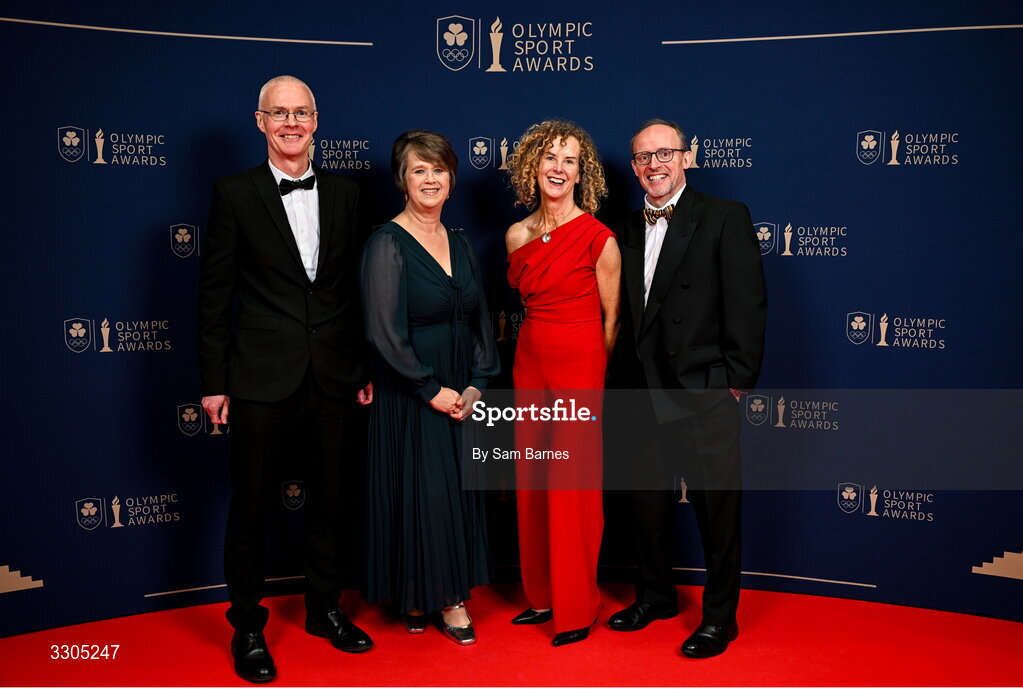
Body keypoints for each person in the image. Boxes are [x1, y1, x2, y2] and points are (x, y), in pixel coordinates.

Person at [198, 75, 374, 683]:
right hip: (256, 378)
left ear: (317, 119)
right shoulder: (234, 193)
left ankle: (325, 609)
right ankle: (247, 624)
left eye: (301, 112)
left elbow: (353, 293)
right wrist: (213, 382)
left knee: (330, 500)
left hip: (332, 376)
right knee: (249, 508)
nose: (291, 123)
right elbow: (214, 294)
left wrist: (357, 370)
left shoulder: (348, 194)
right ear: (260, 122)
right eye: (280, 113)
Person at [606, 118, 766, 657]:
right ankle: (655, 597)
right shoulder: (622, 230)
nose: (654, 164)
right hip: (638, 392)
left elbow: (748, 302)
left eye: (665, 153)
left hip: (702, 391)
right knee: (645, 508)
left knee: (716, 511)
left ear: (687, 158)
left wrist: (735, 381)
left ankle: (721, 616)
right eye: (644, 157)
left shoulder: (724, 217)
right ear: (633, 167)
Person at [360, 130, 499, 646]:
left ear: (452, 178)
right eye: (419, 170)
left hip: (460, 386)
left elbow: (480, 317)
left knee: (451, 492)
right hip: (411, 389)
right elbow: (382, 331)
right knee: (421, 491)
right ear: (402, 179)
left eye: (438, 169)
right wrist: (428, 389)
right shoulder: (386, 244)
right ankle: (439, 599)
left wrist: (478, 382)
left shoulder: (460, 242)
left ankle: (435, 591)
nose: (431, 179)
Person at [505, 120, 620, 646]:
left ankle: (577, 606)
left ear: (582, 172)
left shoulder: (600, 239)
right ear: (533, 165)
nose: (558, 167)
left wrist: (589, 375)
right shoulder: (516, 235)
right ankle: (542, 596)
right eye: (549, 157)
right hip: (530, 363)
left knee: (572, 488)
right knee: (532, 482)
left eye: (569, 159)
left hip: (579, 366)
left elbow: (611, 323)